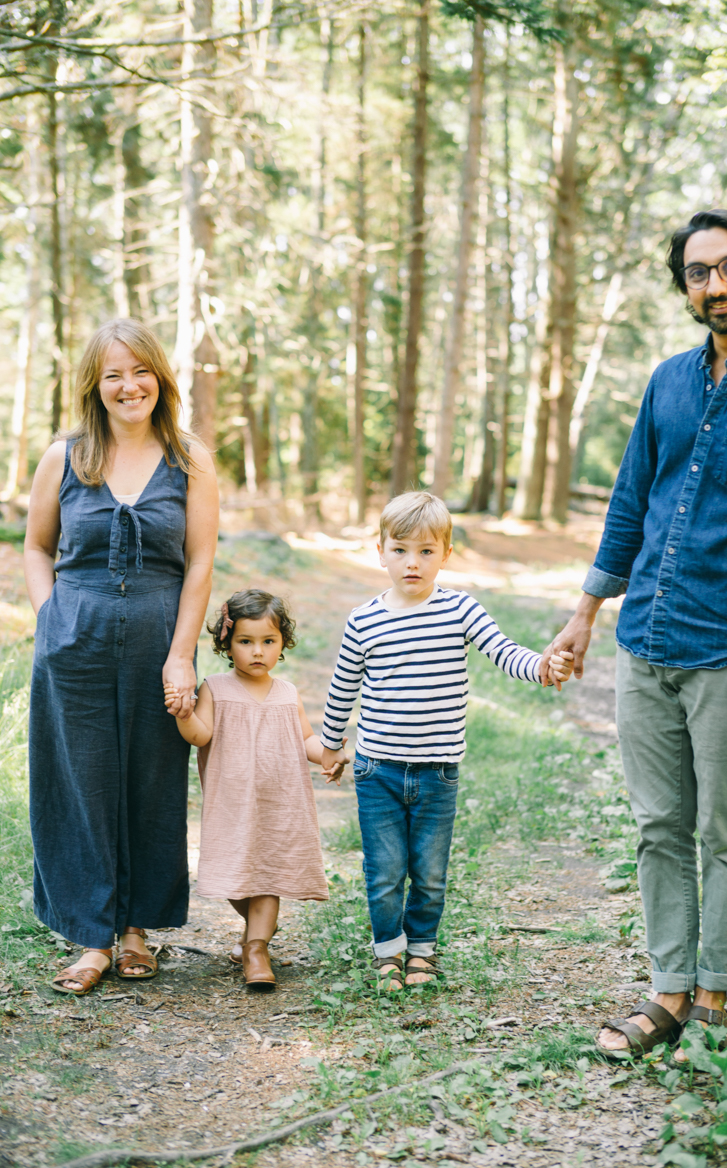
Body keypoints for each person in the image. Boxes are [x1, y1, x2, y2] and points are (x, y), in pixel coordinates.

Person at [540, 209, 727, 1059]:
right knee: (659, 828)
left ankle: (717, 1001)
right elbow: (629, 504)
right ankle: (668, 994)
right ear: (684, 285)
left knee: (725, 830)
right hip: (645, 640)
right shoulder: (667, 382)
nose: (714, 286)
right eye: (697, 273)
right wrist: (587, 612)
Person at [24, 318, 218, 995]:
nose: (128, 385)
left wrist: (182, 655)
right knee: (81, 785)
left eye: (140, 371)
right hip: (72, 646)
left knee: (150, 783)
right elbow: (35, 547)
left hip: (155, 644)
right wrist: (50, 616)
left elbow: (199, 564)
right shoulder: (66, 457)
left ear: (160, 378)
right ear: (95, 385)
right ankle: (90, 936)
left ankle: (137, 929)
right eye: (113, 374)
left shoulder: (189, 457)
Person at [320, 491, 573, 991]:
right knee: (386, 870)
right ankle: (388, 953)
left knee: (430, 873)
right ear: (380, 550)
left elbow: (504, 653)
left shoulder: (460, 610)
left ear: (446, 554)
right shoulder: (364, 619)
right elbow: (343, 687)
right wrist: (331, 746)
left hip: (439, 770)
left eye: (426, 551)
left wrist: (543, 667)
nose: (412, 563)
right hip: (379, 770)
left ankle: (422, 952)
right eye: (400, 550)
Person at [165, 589, 347, 989]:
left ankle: (256, 949)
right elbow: (200, 735)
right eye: (245, 642)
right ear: (227, 644)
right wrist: (184, 713)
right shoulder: (216, 687)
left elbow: (305, 741)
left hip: (280, 803)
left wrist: (330, 755)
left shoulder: (288, 692)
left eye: (268, 641)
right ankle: (255, 932)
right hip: (233, 804)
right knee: (236, 874)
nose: (258, 651)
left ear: (283, 643)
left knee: (267, 875)